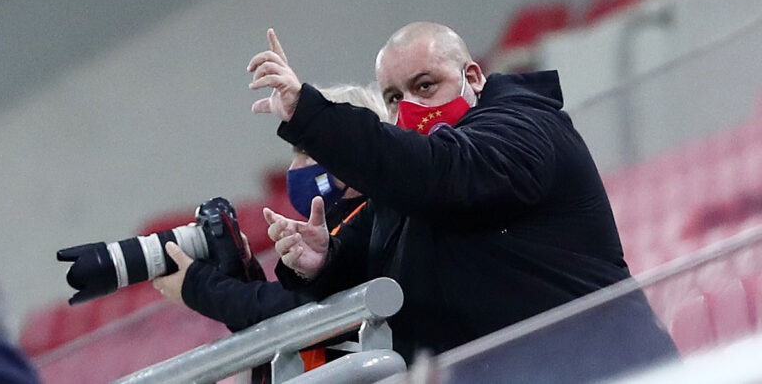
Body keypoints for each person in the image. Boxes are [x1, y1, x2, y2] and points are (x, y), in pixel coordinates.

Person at [248, 23, 678, 369]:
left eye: (425, 85)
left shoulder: (524, 129)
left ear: (472, 77)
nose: (409, 108)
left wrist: (309, 114)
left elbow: (440, 171)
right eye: (394, 97)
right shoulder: (403, 193)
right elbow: (364, 259)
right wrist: (322, 260)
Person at [152, 83, 388, 376]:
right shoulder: (334, 229)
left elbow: (295, 310)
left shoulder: (380, 222)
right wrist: (243, 275)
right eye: (296, 152)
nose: (295, 167)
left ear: (353, 148)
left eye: (307, 151)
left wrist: (198, 286)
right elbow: (283, 324)